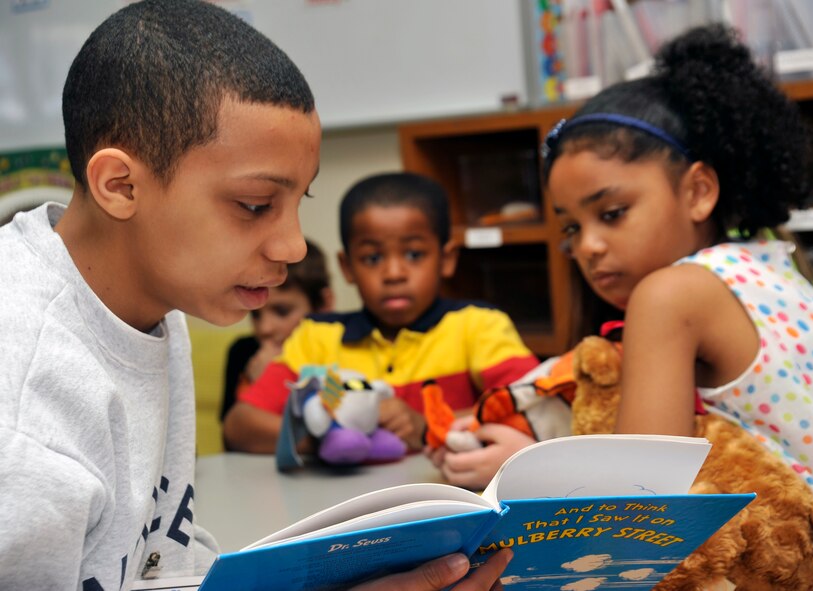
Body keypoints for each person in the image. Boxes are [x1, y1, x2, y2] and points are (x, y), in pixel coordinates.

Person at [0, 1, 511, 588]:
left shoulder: (148, 311)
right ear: (120, 185)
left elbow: (153, 562)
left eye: (300, 204)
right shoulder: (24, 401)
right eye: (254, 206)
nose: (294, 247)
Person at [541, 24, 813, 589]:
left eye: (612, 213)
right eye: (571, 228)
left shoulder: (670, 294)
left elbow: (638, 507)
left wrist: (535, 462)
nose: (588, 246)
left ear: (699, 190)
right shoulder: (774, 265)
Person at [224, 172, 540, 453]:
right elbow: (239, 425)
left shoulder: (478, 325)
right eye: (372, 258)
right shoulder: (316, 336)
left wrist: (429, 425)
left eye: (414, 254)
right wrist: (327, 436)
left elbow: (537, 406)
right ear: (347, 267)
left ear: (446, 260)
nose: (393, 274)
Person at [220, 239, 333, 426]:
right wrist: (256, 385)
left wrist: (272, 382)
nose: (265, 328)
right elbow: (231, 436)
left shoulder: (336, 350)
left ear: (323, 304)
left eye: (282, 311)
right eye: (255, 313)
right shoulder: (243, 351)